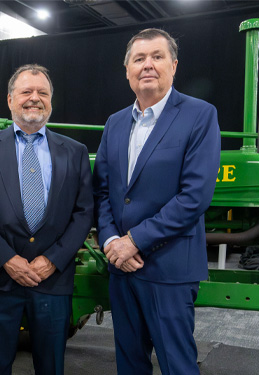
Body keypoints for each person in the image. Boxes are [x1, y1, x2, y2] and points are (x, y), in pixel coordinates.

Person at [93, 28, 221, 375]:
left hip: (169, 269)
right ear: (127, 71)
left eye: (157, 56)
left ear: (173, 66)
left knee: (177, 365)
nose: (147, 65)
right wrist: (110, 242)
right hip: (122, 269)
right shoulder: (115, 123)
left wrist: (134, 241)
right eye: (139, 59)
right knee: (129, 365)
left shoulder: (199, 115)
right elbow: (103, 193)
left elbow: (195, 197)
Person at [0, 64, 93, 374]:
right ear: (10, 100)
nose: (34, 98)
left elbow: (84, 212)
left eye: (42, 93)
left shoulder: (74, 152)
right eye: (26, 92)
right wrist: (9, 260)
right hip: (0, 282)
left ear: (50, 101)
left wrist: (52, 260)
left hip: (53, 281)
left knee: (51, 366)